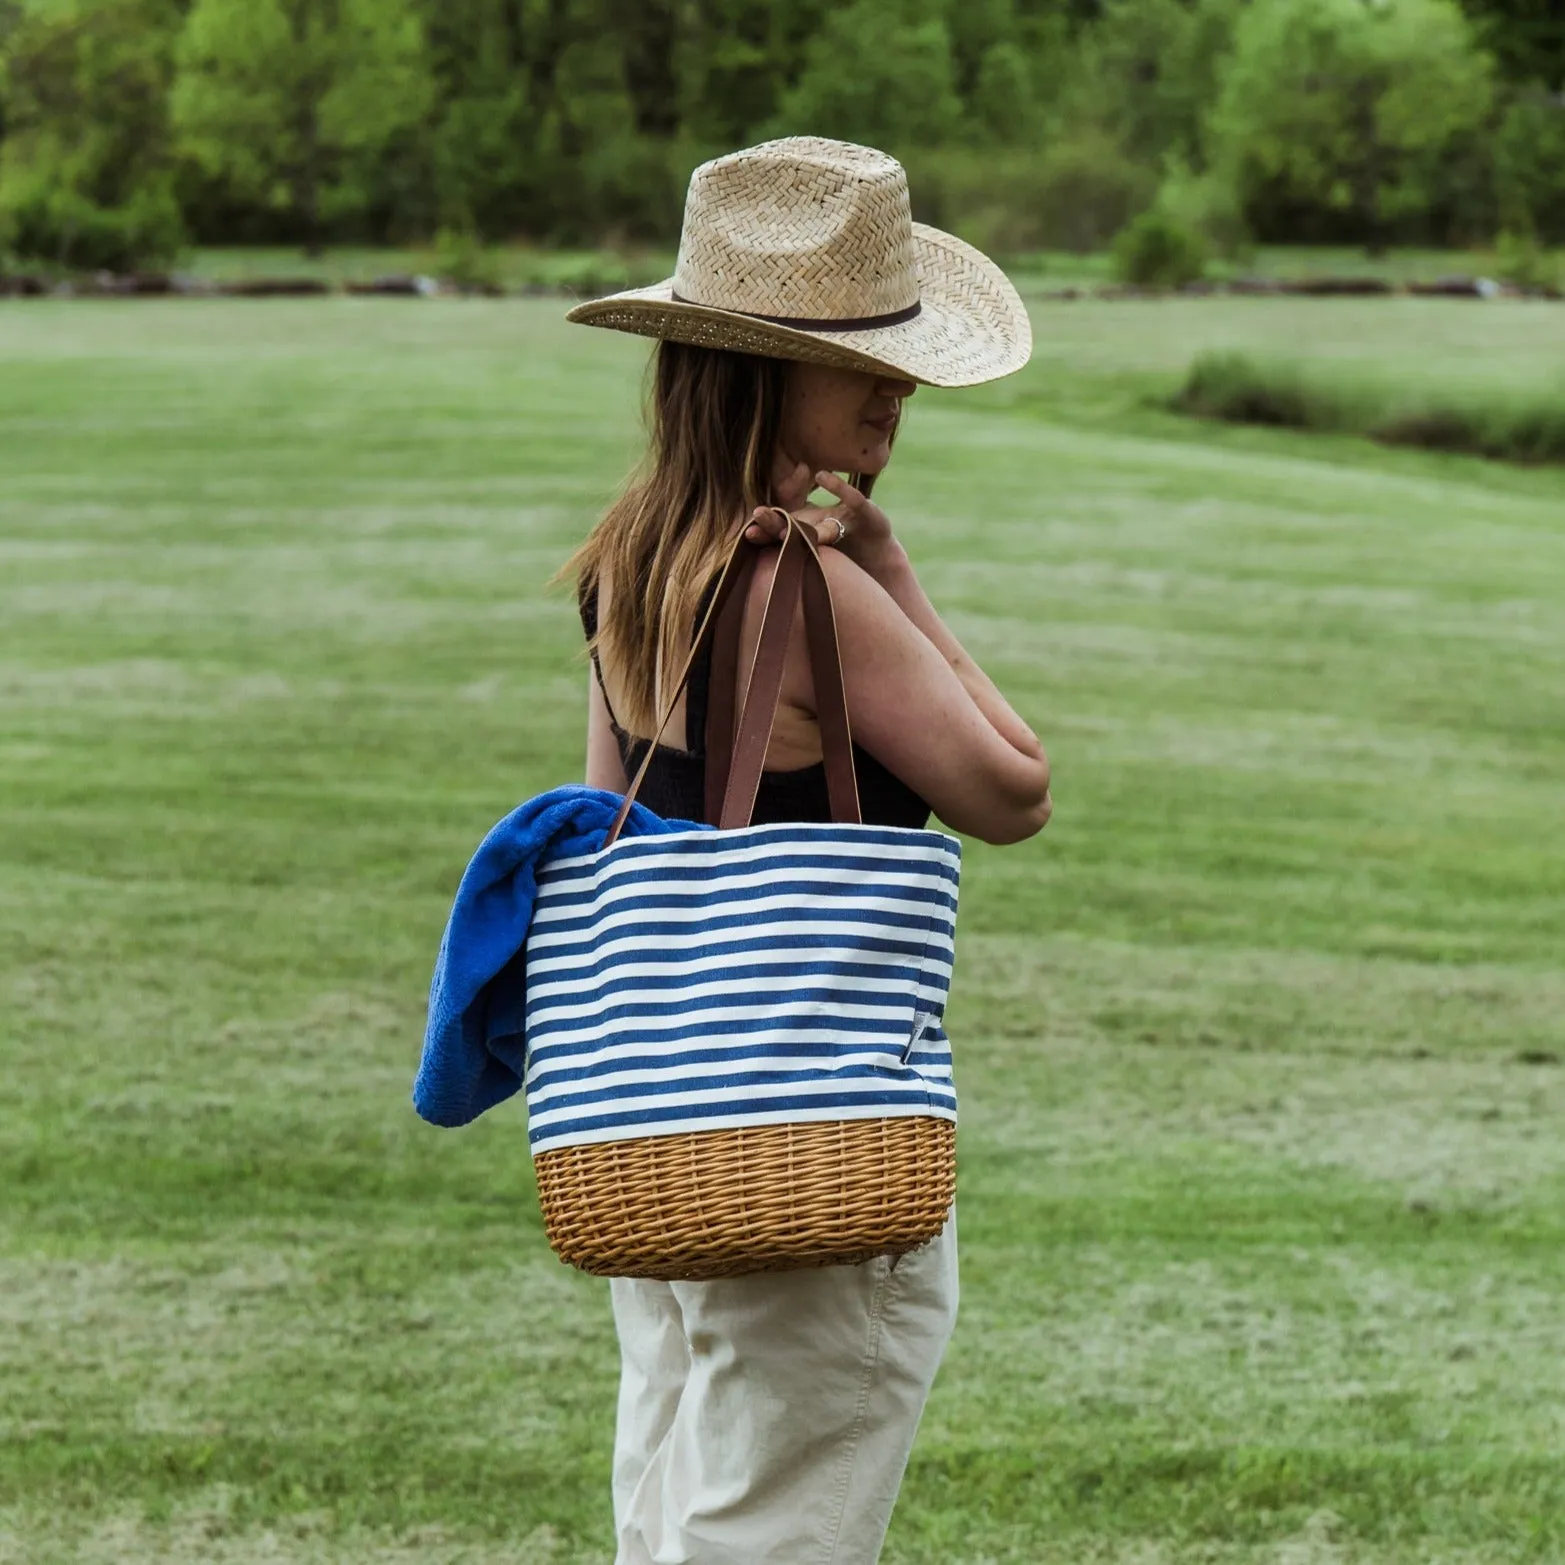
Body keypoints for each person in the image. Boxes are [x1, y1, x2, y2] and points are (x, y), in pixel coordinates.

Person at [564, 137, 1052, 1564]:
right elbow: (1014, 789)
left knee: (673, 1509)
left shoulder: (630, 563)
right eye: (869, 355)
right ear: (760, 364)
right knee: (774, 1527)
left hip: (665, 1126)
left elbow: (617, 828)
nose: (898, 384)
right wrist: (895, 580)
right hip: (811, 1143)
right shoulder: (808, 582)